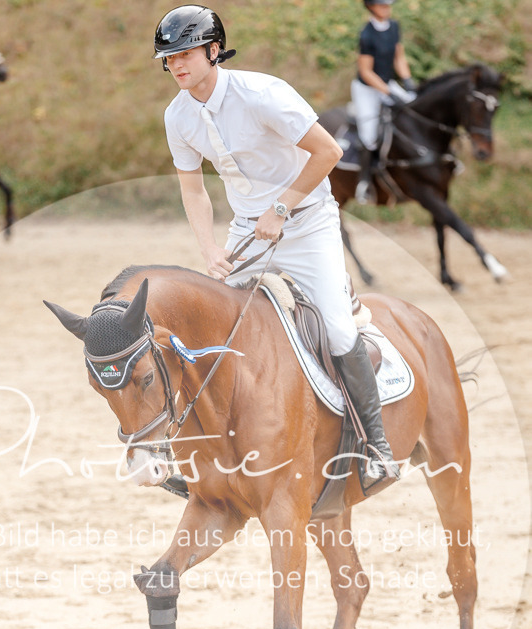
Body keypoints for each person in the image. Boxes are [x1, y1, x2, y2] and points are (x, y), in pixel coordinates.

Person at [154, 4, 399, 489]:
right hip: (247, 232)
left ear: (214, 50)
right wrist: (210, 250)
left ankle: (376, 446)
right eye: (169, 58)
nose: (177, 64)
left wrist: (282, 208)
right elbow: (193, 191)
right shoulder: (177, 115)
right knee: (207, 331)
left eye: (186, 54)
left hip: (308, 225)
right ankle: (192, 454)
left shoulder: (263, 94)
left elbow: (329, 151)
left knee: (337, 330)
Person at [351, 0, 417, 204]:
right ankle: (364, 182)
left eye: (388, 5)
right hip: (367, 89)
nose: (387, 9)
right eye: (382, 6)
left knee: (415, 109)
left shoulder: (394, 26)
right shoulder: (367, 34)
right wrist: (388, 93)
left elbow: (399, 57)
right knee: (369, 135)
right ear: (371, 7)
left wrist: (407, 80)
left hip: (388, 83)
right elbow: (366, 72)